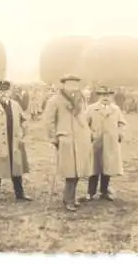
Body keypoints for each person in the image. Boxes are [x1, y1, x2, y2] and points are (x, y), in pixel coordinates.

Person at [44, 74, 93, 212]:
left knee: (78, 171)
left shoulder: (81, 99)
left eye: (76, 85)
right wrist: (54, 138)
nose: (73, 87)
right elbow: (49, 121)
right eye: (70, 84)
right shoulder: (55, 100)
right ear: (64, 85)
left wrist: (88, 132)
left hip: (81, 139)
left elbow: (83, 117)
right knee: (70, 171)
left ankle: (71, 198)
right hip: (66, 139)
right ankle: (68, 200)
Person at [85, 86, 126, 201]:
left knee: (107, 168)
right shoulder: (91, 109)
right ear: (99, 96)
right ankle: (91, 192)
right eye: (103, 95)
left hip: (110, 142)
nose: (105, 97)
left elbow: (121, 123)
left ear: (111, 96)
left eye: (108, 95)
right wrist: (90, 134)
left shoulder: (116, 109)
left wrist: (119, 133)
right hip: (96, 142)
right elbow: (84, 124)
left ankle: (104, 191)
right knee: (94, 168)